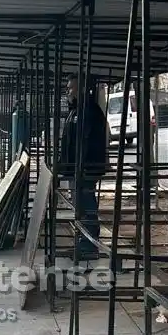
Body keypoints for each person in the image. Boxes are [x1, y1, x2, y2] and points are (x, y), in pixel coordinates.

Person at [58, 74, 108, 257]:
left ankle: (90, 241)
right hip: (75, 169)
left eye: (71, 87)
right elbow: (69, 142)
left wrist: (82, 167)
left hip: (86, 169)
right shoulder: (75, 111)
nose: (68, 91)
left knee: (86, 203)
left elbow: (86, 144)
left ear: (81, 89)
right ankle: (84, 239)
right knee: (79, 204)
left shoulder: (90, 111)